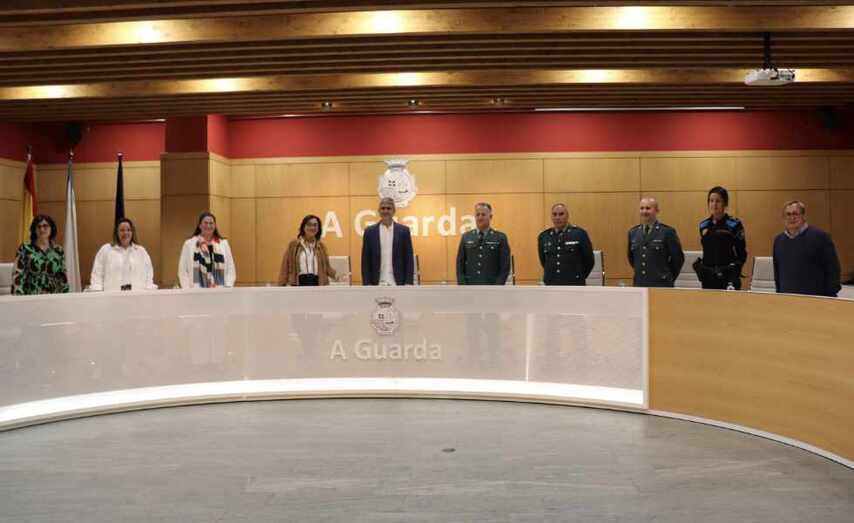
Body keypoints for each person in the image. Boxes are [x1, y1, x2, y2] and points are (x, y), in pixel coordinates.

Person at [772, 200, 841, 297]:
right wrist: (779, 294)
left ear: (803, 216)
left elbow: (833, 269)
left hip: (816, 299)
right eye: (788, 214)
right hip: (787, 298)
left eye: (795, 214)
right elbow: (777, 272)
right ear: (783, 217)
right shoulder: (778, 241)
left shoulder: (820, 237)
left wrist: (828, 296)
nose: (792, 218)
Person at [693, 186, 747, 290]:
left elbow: (742, 254)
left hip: (728, 278)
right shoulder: (703, 225)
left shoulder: (734, 224)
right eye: (711, 201)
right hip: (708, 278)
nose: (714, 204)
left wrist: (734, 272)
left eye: (718, 201)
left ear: (725, 203)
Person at [627, 197, 684, 288]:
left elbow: (678, 259)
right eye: (642, 208)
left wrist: (666, 277)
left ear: (657, 211)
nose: (644, 211)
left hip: (661, 284)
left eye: (648, 208)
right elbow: (631, 259)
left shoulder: (667, 232)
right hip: (640, 284)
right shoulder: (633, 233)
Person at [89, 218, 157, 291]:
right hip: (112, 294)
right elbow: (97, 274)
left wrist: (148, 291)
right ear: (116, 233)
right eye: (122, 230)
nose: (125, 233)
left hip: (137, 294)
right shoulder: (105, 250)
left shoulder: (141, 251)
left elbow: (149, 273)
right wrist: (97, 291)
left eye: (128, 230)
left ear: (132, 232)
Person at [360, 197, 414, 285]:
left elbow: (408, 259)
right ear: (379, 211)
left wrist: (408, 283)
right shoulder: (369, 232)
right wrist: (367, 284)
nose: (385, 211)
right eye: (383, 208)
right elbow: (365, 261)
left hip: (399, 283)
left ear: (394, 211)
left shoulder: (404, 231)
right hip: (376, 283)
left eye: (388, 208)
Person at [538, 203, 594, 285]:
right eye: (554, 214)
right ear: (551, 217)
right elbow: (543, 261)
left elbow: (589, 261)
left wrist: (579, 277)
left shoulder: (579, 234)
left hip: (574, 283)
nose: (557, 217)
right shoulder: (544, 236)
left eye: (561, 214)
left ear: (567, 216)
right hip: (551, 283)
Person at [11, 214, 69, 295]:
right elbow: (18, 275)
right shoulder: (25, 248)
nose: (42, 229)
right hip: (31, 296)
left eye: (45, 226)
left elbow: (63, 277)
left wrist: (66, 296)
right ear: (34, 230)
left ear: (51, 228)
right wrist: (19, 297)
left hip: (53, 296)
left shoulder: (58, 250)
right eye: (38, 226)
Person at [456, 202, 511, 285]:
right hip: (470, 286)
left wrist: (497, 287)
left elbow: (505, 267)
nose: (480, 217)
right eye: (477, 215)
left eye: (483, 214)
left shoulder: (500, 237)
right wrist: (463, 286)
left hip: (492, 286)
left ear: (490, 217)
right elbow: (460, 264)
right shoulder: (466, 237)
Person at [178, 211, 236, 288]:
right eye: (205, 223)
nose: (208, 225)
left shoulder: (223, 244)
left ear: (215, 226)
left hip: (220, 290)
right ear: (200, 225)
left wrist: (228, 286)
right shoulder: (189, 244)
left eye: (211, 223)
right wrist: (188, 289)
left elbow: (230, 268)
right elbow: (182, 270)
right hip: (195, 290)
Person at [279, 214, 340, 286]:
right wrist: (282, 284)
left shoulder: (321, 247)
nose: (312, 227)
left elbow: (326, 267)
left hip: (317, 283)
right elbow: (285, 266)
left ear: (318, 228)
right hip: (298, 283)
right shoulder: (293, 245)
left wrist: (337, 276)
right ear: (303, 227)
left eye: (315, 225)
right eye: (309, 225)